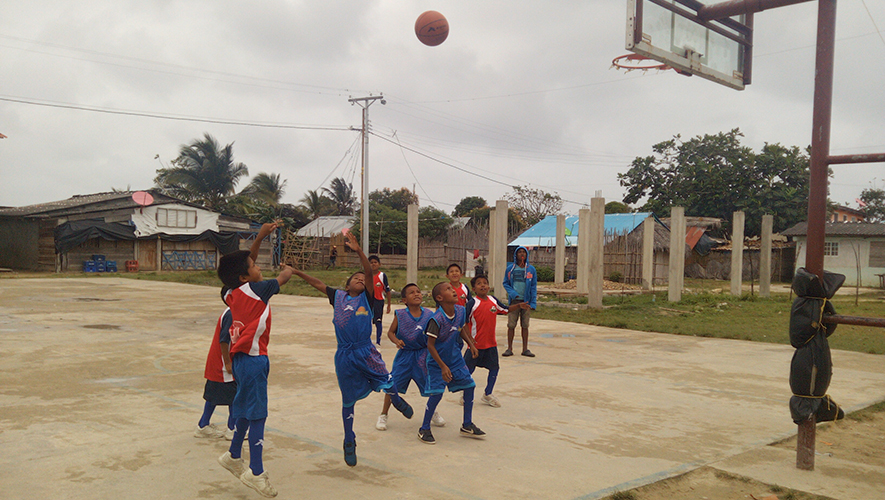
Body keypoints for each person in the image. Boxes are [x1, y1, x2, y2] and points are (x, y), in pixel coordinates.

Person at [291, 232, 413, 467]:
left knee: (387, 378)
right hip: (344, 354)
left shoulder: (366, 298)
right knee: (348, 400)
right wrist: (297, 272)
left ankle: (396, 400)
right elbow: (317, 283)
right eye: (354, 278)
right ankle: (349, 440)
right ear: (346, 285)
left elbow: (369, 273)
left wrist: (358, 250)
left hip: (365, 350)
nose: (360, 279)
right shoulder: (337, 297)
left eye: (361, 278)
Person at [216, 222, 293, 498]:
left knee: (246, 408)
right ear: (244, 277)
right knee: (258, 413)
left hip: (241, 361)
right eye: (255, 265)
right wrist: (288, 270)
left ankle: (234, 455)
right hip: (253, 358)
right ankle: (257, 471)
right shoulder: (259, 290)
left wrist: (260, 236)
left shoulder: (231, 293)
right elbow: (280, 279)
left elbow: (245, 267)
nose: (259, 266)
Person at [418, 282, 486, 445]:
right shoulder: (436, 319)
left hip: (455, 359)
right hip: (437, 362)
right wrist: (442, 366)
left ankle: (467, 425)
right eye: (448, 289)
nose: (453, 290)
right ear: (439, 298)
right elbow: (430, 345)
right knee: (437, 393)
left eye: (452, 288)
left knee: (470, 386)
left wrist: (471, 343)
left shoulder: (461, 311)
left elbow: (461, 328)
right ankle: (424, 428)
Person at [375, 283, 446, 431]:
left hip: (423, 355)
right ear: (404, 300)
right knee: (391, 385)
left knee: (431, 384)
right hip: (405, 356)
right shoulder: (400, 314)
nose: (416, 294)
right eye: (412, 292)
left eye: (418, 291)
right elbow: (390, 333)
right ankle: (383, 414)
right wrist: (396, 341)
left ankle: (432, 412)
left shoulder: (429, 314)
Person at [463, 275, 509, 407]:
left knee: (494, 369)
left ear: (489, 287)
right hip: (475, 345)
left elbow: (505, 309)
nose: (483, 285)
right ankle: (464, 392)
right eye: (479, 283)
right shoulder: (472, 303)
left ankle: (488, 394)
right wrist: (470, 341)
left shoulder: (493, 300)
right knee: (467, 370)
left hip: (491, 344)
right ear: (474, 289)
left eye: (485, 283)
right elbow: (464, 322)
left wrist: (519, 306)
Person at [195, 305, 237, 440]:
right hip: (222, 364)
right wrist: (228, 363)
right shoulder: (231, 314)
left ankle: (203, 425)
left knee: (213, 395)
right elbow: (224, 340)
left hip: (218, 363)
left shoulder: (232, 311)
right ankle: (232, 429)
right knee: (234, 397)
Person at [502, 246, 537, 358]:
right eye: (519, 252)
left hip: (526, 302)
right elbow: (506, 283)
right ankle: (509, 348)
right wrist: (512, 293)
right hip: (514, 302)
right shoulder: (510, 269)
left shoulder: (531, 270)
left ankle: (525, 349)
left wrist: (533, 303)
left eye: (524, 252)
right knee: (511, 325)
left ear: (527, 255)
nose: (522, 254)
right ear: (516, 255)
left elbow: (533, 286)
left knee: (525, 325)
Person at [368, 255, 391, 345]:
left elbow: (388, 291)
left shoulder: (382, 276)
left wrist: (389, 305)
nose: (373, 264)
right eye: (371, 263)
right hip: (368, 301)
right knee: (367, 321)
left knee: (378, 321)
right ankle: (367, 340)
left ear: (379, 264)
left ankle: (378, 341)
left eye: (375, 262)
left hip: (378, 301)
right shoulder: (366, 275)